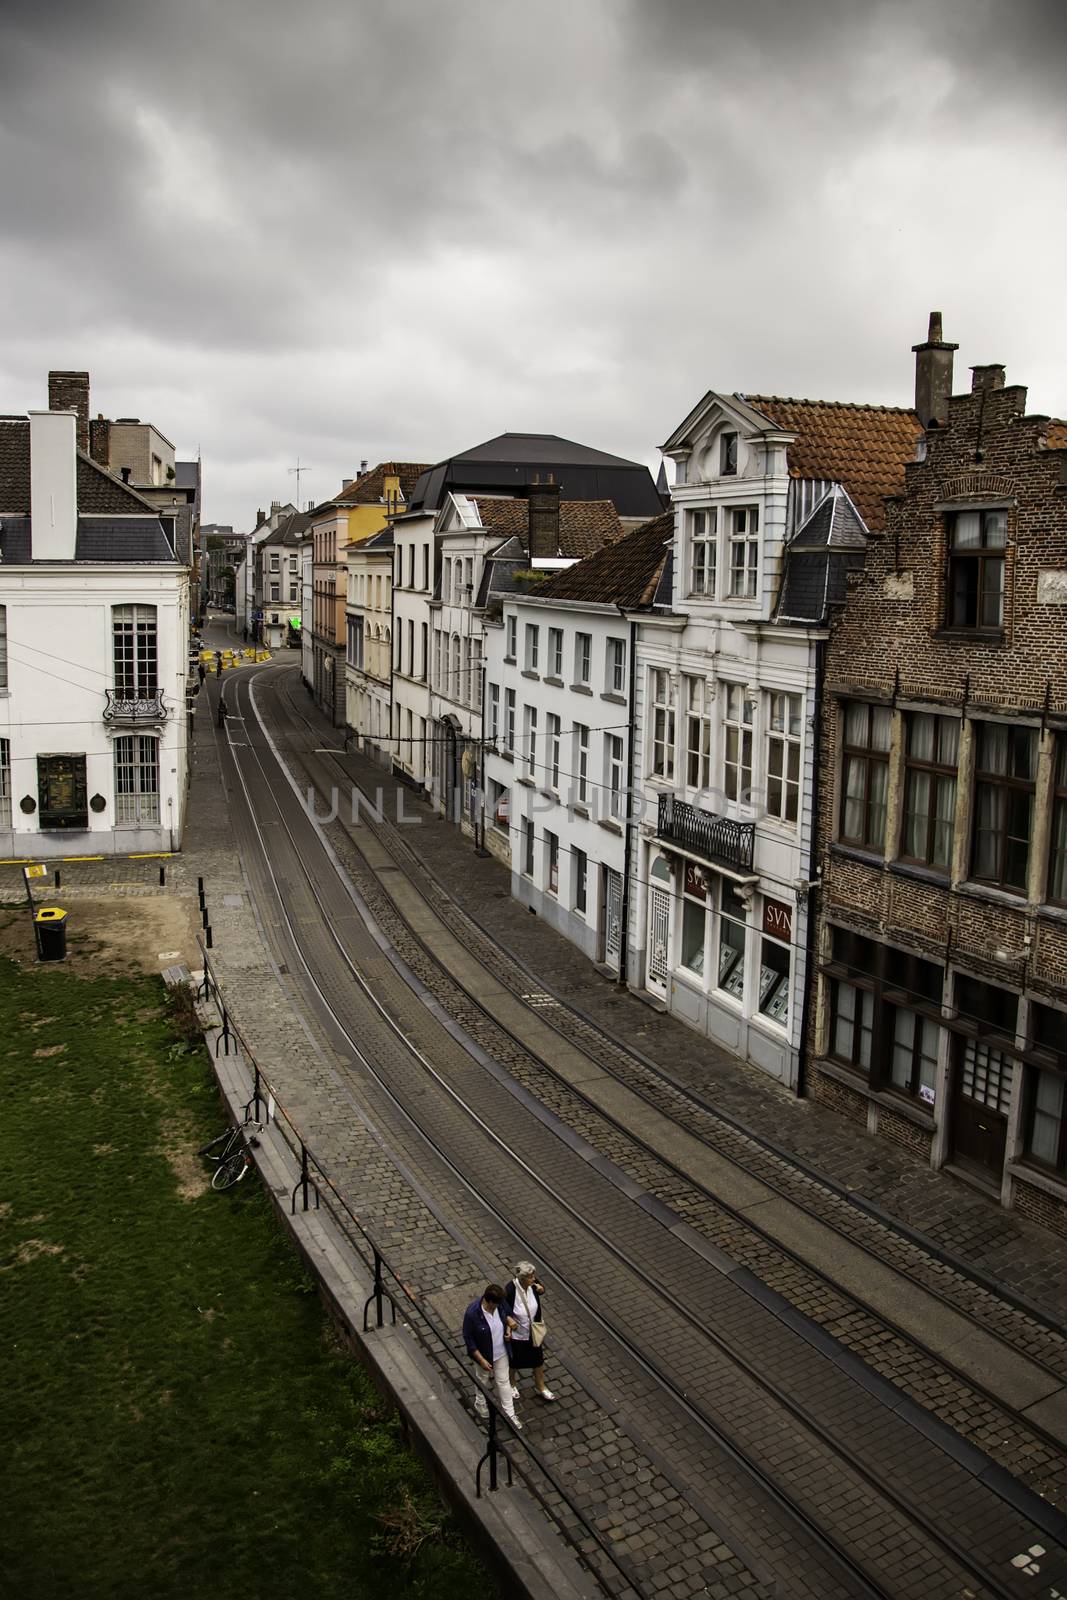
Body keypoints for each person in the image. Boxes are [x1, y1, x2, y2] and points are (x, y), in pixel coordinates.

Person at [462, 1284, 522, 1430]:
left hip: (501, 1351)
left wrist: (508, 1328)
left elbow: (507, 1315)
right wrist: (481, 1360)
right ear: (489, 1302)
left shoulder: (500, 1304)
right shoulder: (473, 1313)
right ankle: (480, 1403)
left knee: (503, 1381)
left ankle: (510, 1414)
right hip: (484, 1354)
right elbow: (468, 1338)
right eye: (497, 1304)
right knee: (482, 1380)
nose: (499, 1306)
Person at [505, 1261, 555, 1401]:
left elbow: (541, 1289)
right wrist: (509, 1321)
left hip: (533, 1332)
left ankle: (541, 1386)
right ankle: (511, 1383)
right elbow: (504, 1310)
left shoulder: (533, 1284)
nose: (534, 1279)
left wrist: (541, 1289)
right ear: (522, 1278)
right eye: (530, 1277)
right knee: (514, 1362)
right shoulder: (510, 1290)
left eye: (534, 1276)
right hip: (518, 1334)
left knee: (537, 1361)